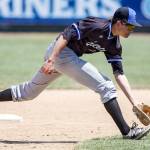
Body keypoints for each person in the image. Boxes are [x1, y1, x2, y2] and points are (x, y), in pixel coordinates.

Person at [0, 7, 150, 140]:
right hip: (61, 52)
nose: (132, 29)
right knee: (106, 86)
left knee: (28, 92)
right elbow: (66, 35)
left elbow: (119, 73)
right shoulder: (96, 25)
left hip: (66, 58)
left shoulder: (114, 44)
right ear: (119, 22)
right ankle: (127, 132)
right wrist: (52, 59)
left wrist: (133, 101)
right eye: (130, 25)